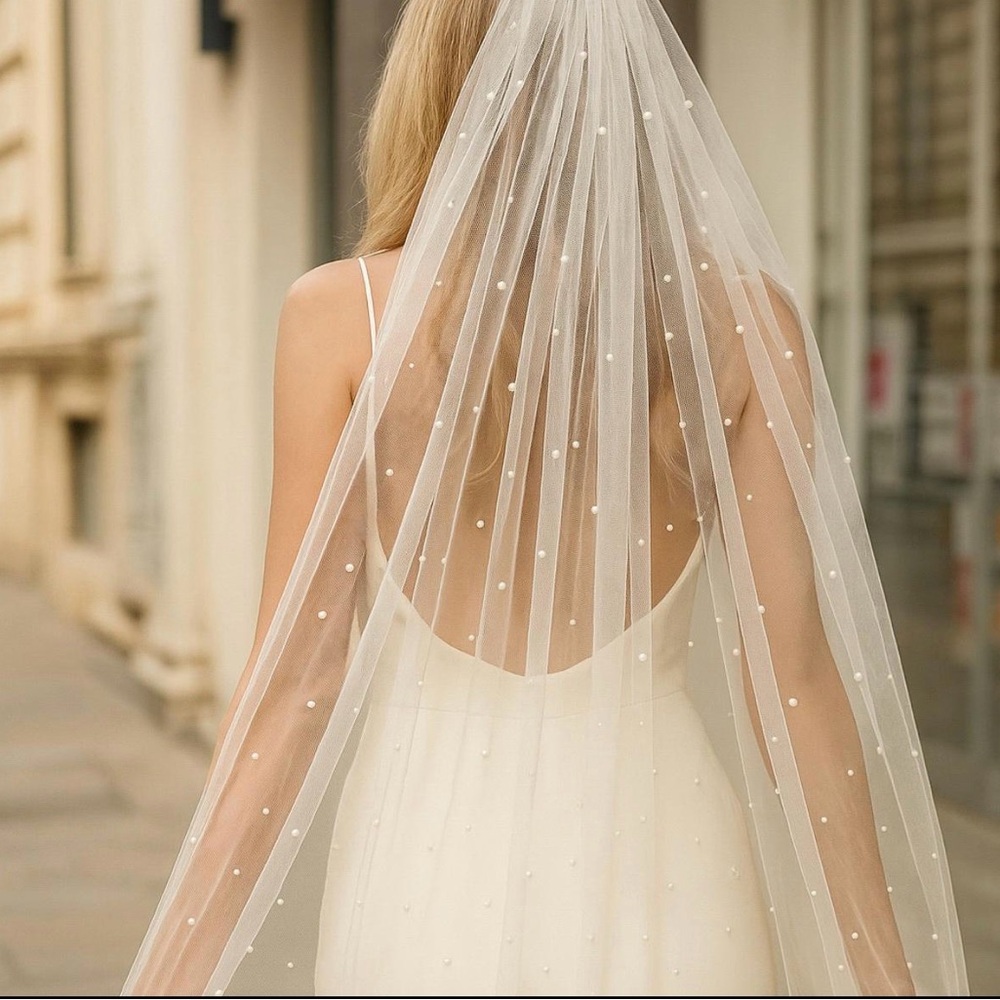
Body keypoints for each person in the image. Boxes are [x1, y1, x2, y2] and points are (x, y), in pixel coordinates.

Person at [123, 0, 968, 995]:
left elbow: (293, 695)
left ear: (433, 87)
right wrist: (884, 973)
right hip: (672, 868)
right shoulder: (742, 326)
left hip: (424, 869)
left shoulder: (341, 320)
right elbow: (796, 682)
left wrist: (174, 972)